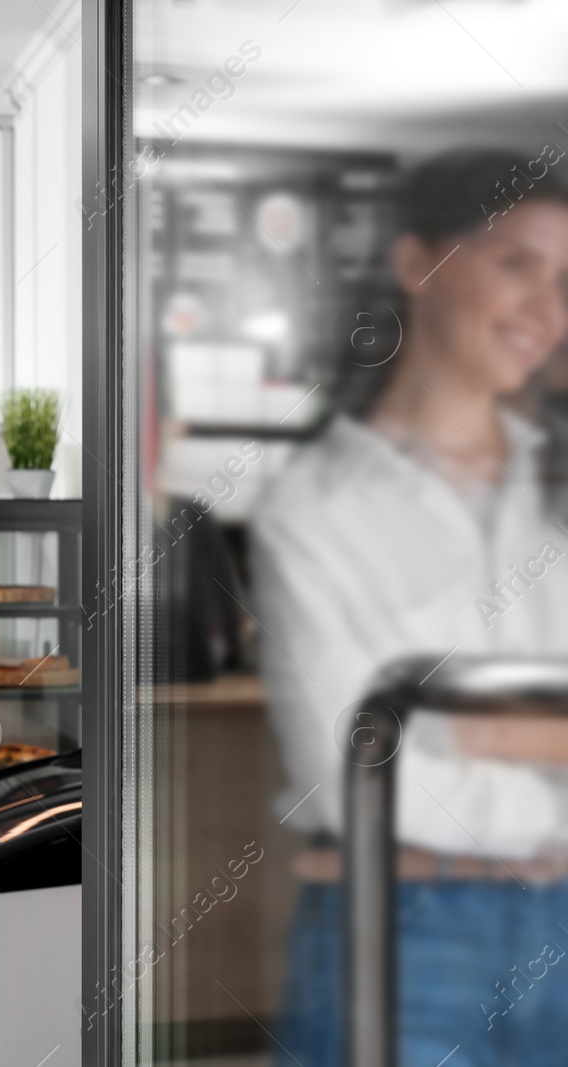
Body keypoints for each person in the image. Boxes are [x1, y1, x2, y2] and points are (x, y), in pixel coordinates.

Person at [250, 148, 568, 1065]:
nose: (546, 312)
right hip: (409, 929)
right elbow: (355, 770)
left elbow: (404, 746)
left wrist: (466, 729)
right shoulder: (314, 506)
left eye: (563, 280)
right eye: (516, 264)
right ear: (417, 262)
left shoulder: (553, 495)